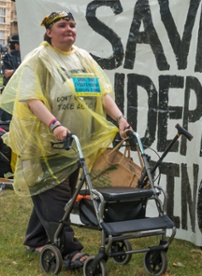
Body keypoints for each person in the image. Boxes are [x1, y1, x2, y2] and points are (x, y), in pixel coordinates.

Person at [0, 11, 131, 270]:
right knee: (56, 196)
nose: (69, 29)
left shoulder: (82, 58)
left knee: (63, 193)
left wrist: (120, 119)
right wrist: (54, 124)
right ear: (49, 31)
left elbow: (101, 92)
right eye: (62, 25)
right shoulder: (39, 59)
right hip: (46, 143)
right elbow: (30, 97)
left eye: (72, 25)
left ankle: (36, 238)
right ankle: (69, 250)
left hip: (76, 143)